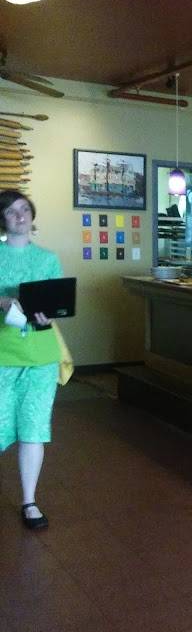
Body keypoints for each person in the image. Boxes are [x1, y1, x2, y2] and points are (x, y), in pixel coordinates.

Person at [0, 190, 63, 530]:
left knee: (33, 427)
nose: (20, 215)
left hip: (41, 356)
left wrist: (48, 314)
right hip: (2, 355)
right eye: (11, 211)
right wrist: (2, 302)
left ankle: (29, 500)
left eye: (24, 209)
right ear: (3, 220)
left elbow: (57, 305)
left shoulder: (48, 259)